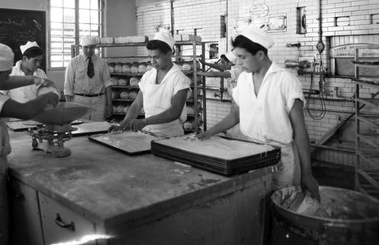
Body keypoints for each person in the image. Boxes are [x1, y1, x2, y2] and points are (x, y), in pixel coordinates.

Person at [0, 41, 77, 245]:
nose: (6, 81)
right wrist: (48, 97)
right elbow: (26, 111)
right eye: (3, 76)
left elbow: (4, 82)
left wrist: (34, 79)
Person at [197, 26, 320, 199]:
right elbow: (236, 114)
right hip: (250, 153)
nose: (238, 63)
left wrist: (307, 173)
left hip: (280, 158)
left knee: (282, 204)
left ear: (260, 55)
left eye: (242, 57)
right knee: (254, 204)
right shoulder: (244, 79)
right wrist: (209, 133)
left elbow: (300, 130)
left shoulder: (286, 81)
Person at [110, 30, 191, 137]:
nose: (152, 61)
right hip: (148, 133)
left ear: (169, 54)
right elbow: (137, 104)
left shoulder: (179, 78)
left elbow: (174, 112)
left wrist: (144, 122)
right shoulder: (148, 76)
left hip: (170, 135)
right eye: (150, 57)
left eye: (156, 57)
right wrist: (123, 125)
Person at [64, 35, 112, 121]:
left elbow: (108, 85)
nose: (89, 50)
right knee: (81, 129)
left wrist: (109, 105)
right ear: (81, 47)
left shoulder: (102, 62)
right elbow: (68, 87)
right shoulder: (73, 62)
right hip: (79, 101)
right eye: (85, 48)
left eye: (91, 48)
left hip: (99, 101)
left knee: (99, 129)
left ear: (95, 47)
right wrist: (69, 107)